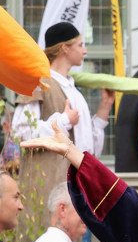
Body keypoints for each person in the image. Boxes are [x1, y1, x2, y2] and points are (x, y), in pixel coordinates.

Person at [12, 22, 113, 157]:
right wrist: (63, 121)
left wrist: (105, 106)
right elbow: (20, 134)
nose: (85, 51)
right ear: (65, 48)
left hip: (74, 178)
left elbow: (87, 149)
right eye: (80, 45)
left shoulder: (74, 92)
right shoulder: (39, 84)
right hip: (49, 178)